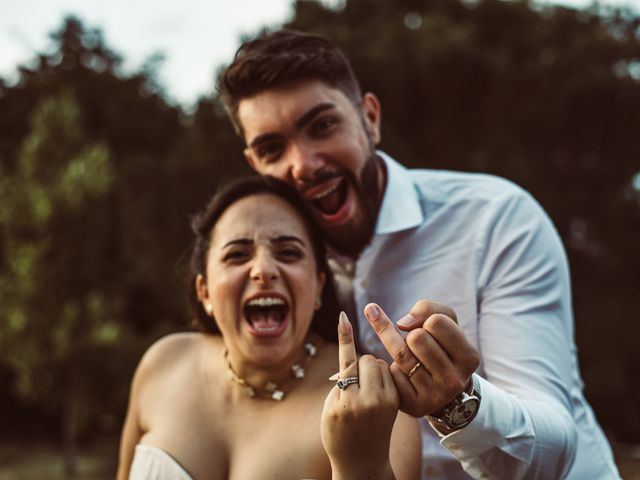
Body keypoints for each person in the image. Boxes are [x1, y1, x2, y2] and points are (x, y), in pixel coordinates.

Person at [217, 30, 620, 479]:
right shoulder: (271, 282)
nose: (303, 164)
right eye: (273, 149)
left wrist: (459, 405)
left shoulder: (498, 221)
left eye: (322, 126)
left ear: (369, 118)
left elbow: (555, 451)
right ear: (255, 165)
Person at [116, 176, 421, 479]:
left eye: (288, 252)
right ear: (204, 291)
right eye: (237, 255)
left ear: (318, 286)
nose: (263, 270)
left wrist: (361, 467)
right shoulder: (162, 364)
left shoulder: (377, 410)